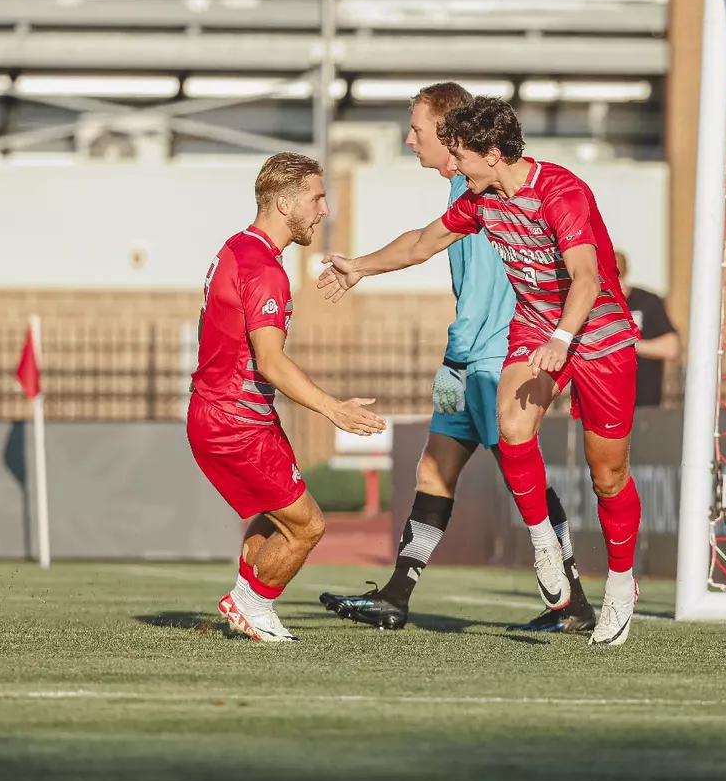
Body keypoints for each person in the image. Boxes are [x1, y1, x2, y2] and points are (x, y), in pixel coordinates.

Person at [319, 98, 643, 647]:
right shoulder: (480, 198)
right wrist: (360, 267)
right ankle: (543, 545)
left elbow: (586, 279)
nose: (456, 165)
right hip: (536, 328)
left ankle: (620, 584)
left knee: (607, 474)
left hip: (597, 336)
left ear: (493, 154)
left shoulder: (560, 191)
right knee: (512, 427)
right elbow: (423, 242)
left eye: (462, 155)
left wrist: (564, 341)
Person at [188, 152, 385, 643]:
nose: (324, 210)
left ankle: (251, 602)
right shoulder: (265, 270)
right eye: (317, 199)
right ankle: (251, 604)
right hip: (236, 421)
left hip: (228, 411)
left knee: (272, 510)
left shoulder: (236, 248)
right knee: (308, 526)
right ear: (283, 202)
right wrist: (333, 408)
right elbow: (271, 361)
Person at [615, 251, 680, 409]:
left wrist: (629, 345)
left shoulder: (647, 301)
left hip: (644, 404)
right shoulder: (593, 305)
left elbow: (671, 348)